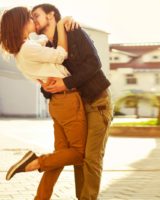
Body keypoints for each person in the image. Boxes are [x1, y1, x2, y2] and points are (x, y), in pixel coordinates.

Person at [0, 6, 87, 197]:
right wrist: (62, 25)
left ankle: (41, 197)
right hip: (68, 100)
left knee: (60, 156)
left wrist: (45, 38)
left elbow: (42, 41)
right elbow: (60, 54)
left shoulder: (21, 52)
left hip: (58, 103)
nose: (33, 20)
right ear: (22, 23)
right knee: (79, 153)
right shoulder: (28, 49)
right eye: (30, 18)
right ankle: (35, 162)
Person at [32, 3, 113, 200]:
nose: (33, 20)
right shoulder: (50, 49)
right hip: (76, 108)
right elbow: (52, 85)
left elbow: (94, 63)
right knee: (79, 157)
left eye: (36, 15)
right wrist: (47, 87)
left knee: (92, 159)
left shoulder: (74, 31)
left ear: (51, 15)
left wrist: (65, 84)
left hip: (97, 101)